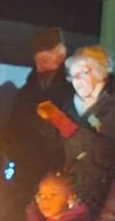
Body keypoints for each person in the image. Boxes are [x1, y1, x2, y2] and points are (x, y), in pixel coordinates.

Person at [37, 44, 115, 218]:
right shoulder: (69, 106)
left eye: (83, 73)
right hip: (75, 190)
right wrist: (48, 126)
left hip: (107, 193)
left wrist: (65, 125)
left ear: (100, 72)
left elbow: (108, 150)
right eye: (73, 75)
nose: (77, 80)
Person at [6, 27, 74, 209]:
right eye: (39, 60)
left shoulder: (74, 89)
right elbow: (13, 128)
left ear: (61, 56)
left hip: (58, 170)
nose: (41, 65)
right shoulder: (27, 92)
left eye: (46, 59)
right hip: (26, 170)